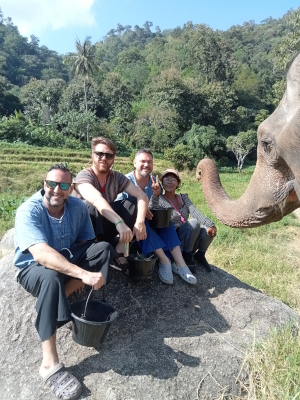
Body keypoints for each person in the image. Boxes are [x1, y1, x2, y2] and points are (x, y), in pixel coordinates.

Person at [14, 164, 114, 400]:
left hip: (67, 255)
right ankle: (49, 363)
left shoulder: (78, 207)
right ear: (44, 184)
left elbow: (88, 241)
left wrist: (84, 266)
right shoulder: (28, 210)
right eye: (52, 183)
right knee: (50, 277)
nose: (57, 190)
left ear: (71, 189)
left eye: (64, 185)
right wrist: (82, 274)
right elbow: (40, 254)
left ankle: (58, 303)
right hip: (33, 267)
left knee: (103, 249)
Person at [116, 149, 197, 285]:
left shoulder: (154, 182)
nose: (146, 165)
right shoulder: (125, 181)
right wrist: (141, 211)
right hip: (132, 225)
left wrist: (156, 195)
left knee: (167, 222)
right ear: (135, 163)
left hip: (150, 221)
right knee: (142, 220)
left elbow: (155, 207)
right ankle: (164, 260)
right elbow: (120, 207)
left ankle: (180, 264)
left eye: (149, 162)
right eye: (143, 161)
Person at [73, 137, 148, 270]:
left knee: (132, 202)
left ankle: (120, 249)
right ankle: (93, 252)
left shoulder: (117, 177)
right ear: (92, 155)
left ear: (113, 159)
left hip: (106, 226)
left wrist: (140, 221)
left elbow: (141, 195)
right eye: (99, 154)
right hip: (85, 231)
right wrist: (120, 223)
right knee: (90, 206)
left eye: (108, 155)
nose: (103, 158)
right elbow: (96, 199)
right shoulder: (84, 176)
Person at [149, 168, 217, 273]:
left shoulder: (183, 198)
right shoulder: (160, 199)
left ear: (178, 183)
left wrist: (210, 224)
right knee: (194, 223)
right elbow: (151, 211)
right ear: (162, 182)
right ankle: (187, 256)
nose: (169, 182)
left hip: (187, 236)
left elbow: (194, 211)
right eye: (166, 179)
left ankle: (200, 255)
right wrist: (155, 195)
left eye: (173, 179)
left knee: (206, 230)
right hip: (173, 237)